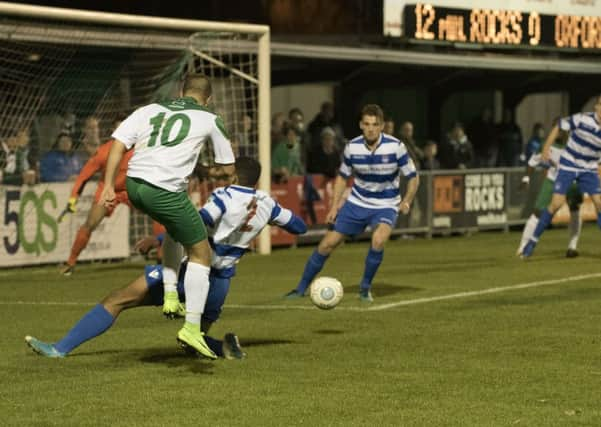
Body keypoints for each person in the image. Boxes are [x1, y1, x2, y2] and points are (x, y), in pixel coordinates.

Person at [25, 157, 308, 359]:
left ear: (234, 177)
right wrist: (264, 220)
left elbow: (194, 224)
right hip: (221, 285)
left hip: (193, 274)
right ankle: (222, 346)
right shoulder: (268, 203)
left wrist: (157, 239)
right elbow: (299, 227)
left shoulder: (223, 195)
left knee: (117, 299)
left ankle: (59, 349)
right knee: (191, 341)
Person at [100, 73, 236, 359]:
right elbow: (228, 169)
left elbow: (117, 144)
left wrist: (110, 186)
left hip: (135, 185)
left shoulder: (150, 109)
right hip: (165, 192)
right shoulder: (211, 119)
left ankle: (171, 294)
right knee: (202, 254)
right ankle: (191, 328)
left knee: (176, 231)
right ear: (208, 98)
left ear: (180, 91)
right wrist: (207, 170)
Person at [285, 104, 419, 302]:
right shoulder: (352, 147)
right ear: (361, 125)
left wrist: (406, 201)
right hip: (357, 202)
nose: (371, 128)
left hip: (386, 203)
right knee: (327, 244)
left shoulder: (396, 146)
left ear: (382, 126)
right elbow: (342, 177)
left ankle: (364, 289)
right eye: (367, 124)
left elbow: (414, 177)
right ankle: (300, 289)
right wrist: (334, 207)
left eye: (375, 124)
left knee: (378, 240)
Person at [521, 95, 601, 258]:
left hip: (588, 168)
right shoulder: (582, 119)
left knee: (599, 203)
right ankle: (532, 242)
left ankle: (572, 245)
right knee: (556, 204)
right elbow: (559, 126)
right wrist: (545, 148)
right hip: (569, 164)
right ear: (596, 107)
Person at [59, 117, 132, 276]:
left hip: (132, 190)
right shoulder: (104, 152)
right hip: (108, 190)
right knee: (90, 223)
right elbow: (83, 177)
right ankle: (70, 262)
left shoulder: (140, 149)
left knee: (160, 215)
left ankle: (163, 259)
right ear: (113, 132)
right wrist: (73, 199)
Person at [517, 138, 582, 257]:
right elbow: (533, 161)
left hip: (572, 181)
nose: (562, 132)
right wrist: (526, 178)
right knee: (537, 212)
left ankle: (572, 247)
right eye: (559, 129)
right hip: (552, 181)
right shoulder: (547, 145)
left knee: (575, 209)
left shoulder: (576, 143)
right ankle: (522, 247)